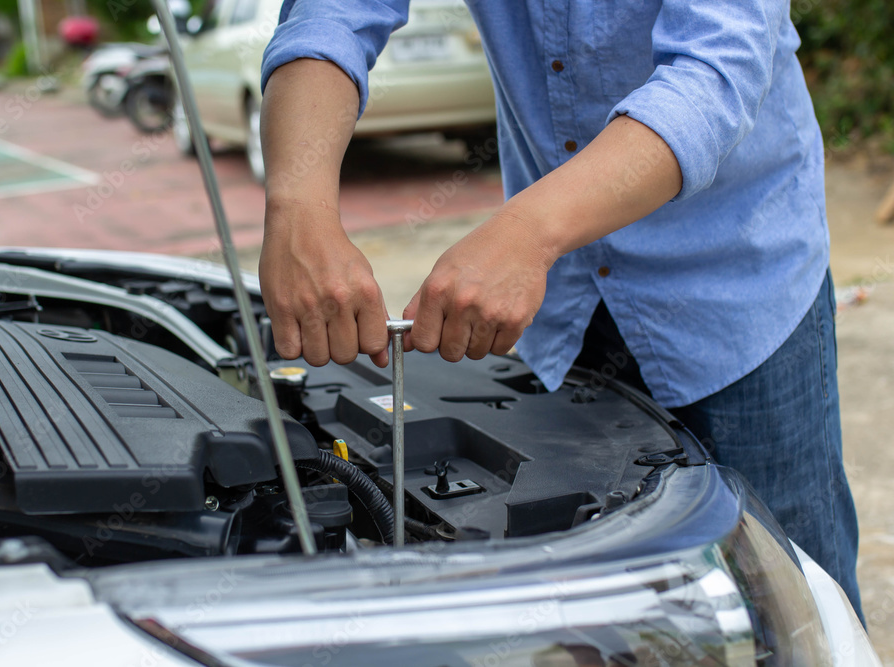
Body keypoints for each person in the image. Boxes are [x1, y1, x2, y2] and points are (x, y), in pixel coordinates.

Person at [256, 0, 864, 621]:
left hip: (733, 288)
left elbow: (713, 69)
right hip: (567, 303)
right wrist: (297, 211)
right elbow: (332, 15)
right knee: (615, 618)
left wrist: (525, 234)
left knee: (790, 599)